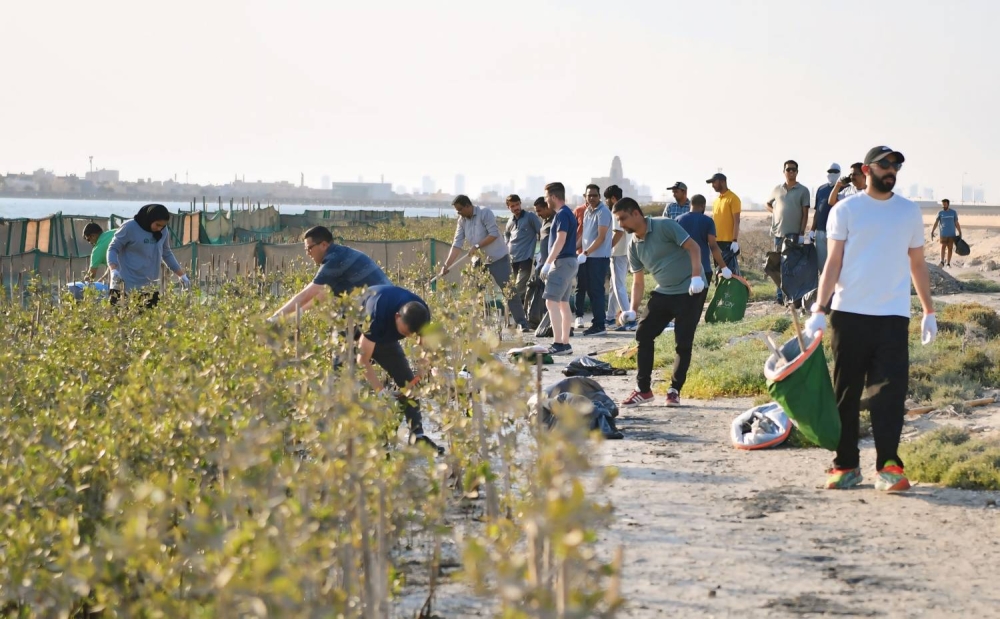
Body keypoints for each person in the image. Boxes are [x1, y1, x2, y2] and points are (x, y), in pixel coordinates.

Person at [804, 146, 935, 492]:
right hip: (849, 315)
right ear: (867, 169)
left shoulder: (908, 211)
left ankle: (889, 466)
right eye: (885, 164)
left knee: (889, 396)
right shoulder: (846, 209)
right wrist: (820, 309)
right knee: (845, 395)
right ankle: (846, 465)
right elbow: (832, 262)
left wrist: (929, 311)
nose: (892, 169)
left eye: (897, 165)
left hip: (893, 317)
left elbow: (917, 263)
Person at [612, 198, 705, 408]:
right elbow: (638, 281)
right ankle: (643, 390)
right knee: (643, 333)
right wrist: (632, 310)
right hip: (664, 291)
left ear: (636, 213)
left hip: (691, 289)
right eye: (618, 220)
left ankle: (674, 390)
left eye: (623, 219)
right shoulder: (633, 246)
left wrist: (696, 277)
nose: (621, 224)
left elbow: (694, 247)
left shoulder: (665, 225)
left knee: (683, 342)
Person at [355, 284, 443, 454]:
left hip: (384, 335)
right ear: (397, 316)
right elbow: (362, 360)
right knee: (348, 383)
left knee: (408, 383)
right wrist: (381, 392)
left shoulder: (421, 313)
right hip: (354, 328)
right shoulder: (376, 317)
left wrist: (421, 374)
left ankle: (417, 436)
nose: (408, 337)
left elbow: (424, 345)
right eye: (405, 332)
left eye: (412, 334)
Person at [438, 195, 530, 331]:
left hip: (498, 257)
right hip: (479, 260)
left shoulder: (485, 213)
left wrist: (477, 246)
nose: (458, 213)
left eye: (460, 209)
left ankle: (522, 323)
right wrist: (446, 265)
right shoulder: (462, 221)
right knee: (475, 291)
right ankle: (476, 324)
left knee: (509, 290)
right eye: (457, 210)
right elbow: (457, 244)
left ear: (468, 206)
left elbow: (493, 234)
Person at [268, 225, 391, 321]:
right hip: (386, 306)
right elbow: (322, 295)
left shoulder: (335, 259)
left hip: (377, 310)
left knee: (345, 334)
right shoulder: (341, 253)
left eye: (309, 248)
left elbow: (307, 294)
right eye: (306, 249)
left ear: (323, 245)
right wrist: (292, 316)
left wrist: (274, 318)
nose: (307, 253)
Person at [106, 203, 189, 308]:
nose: (159, 229)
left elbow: (166, 253)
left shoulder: (163, 231)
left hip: (149, 287)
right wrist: (113, 270)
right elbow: (113, 248)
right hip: (124, 286)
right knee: (121, 317)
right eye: (157, 225)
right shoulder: (130, 227)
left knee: (149, 317)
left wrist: (182, 275)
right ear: (150, 218)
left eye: (163, 226)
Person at [538, 182, 579, 355]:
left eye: (547, 197)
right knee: (563, 303)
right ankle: (565, 343)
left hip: (562, 262)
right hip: (569, 262)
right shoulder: (568, 213)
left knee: (551, 302)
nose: (546, 200)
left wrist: (548, 263)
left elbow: (560, 240)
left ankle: (558, 343)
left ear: (554, 197)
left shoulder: (562, 214)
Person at [766, 160, 811, 304]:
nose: (791, 172)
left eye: (793, 170)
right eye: (788, 169)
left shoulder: (803, 190)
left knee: (792, 266)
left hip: (794, 235)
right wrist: (775, 212)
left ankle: (793, 296)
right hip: (779, 234)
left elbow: (805, 213)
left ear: (797, 172)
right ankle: (780, 296)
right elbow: (768, 204)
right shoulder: (777, 189)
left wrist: (802, 233)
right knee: (778, 266)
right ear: (784, 171)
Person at [575, 184, 612, 336]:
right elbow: (585, 236)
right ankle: (597, 322)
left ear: (599, 196)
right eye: (589, 195)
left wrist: (586, 252)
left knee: (596, 291)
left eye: (594, 195)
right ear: (585, 196)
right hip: (588, 257)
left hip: (598, 258)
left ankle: (599, 325)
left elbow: (601, 237)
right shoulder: (587, 211)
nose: (591, 198)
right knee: (590, 290)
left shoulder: (603, 212)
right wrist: (573, 249)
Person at [676, 194, 732, 294]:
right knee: (698, 302)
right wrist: (724, 267)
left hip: (681, 270)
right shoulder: (708, 221)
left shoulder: (678, 220)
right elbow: (713, 246)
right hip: (703, 269)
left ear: (690, 204)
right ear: (703, 206)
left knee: (681, 302)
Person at [503, 194, 542, 317]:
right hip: (512, 258)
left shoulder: (530, 217)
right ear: (508, 207)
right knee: (516, 288)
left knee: (519, 287)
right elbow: (506, 234)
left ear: (520, 203)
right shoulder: (510, 221)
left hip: (526, 257)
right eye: (512, 206)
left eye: (517, 204)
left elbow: (541, 232)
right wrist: (506, 245)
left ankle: (519, 316)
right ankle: (523, 315)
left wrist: (542, 252)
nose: (516, 208)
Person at [604, 185, 633, 331]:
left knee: (618, 286)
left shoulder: (616, 210)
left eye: (607, 199)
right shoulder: (627, 209)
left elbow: (618, 233)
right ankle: (610, 318)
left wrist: (607, 248)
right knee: (614, 286)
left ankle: (629, 320)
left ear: (613, 198)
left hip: (618, 253)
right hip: (627, 252)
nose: (606, 202)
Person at [525, 197, 554, 328]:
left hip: (551, 265)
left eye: (540, 210)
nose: (538, 214)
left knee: (551, 296)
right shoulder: (545, 221)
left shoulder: (555, 221)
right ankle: (540, 321)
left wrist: (548, 262)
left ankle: (551, 324)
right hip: (542, 264)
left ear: (547, 207)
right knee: (541, 294)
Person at [707, 173, 741, 274]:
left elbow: (737, 220)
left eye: (714, 182)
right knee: (719, 271)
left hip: (728, 243)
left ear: (722, 182)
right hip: (716, 242)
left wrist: (734, 240)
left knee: (730, 272)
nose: (712, 185)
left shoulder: (733, 198)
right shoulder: (716, 201)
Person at [811, 163, 841, 271]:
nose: (832, 174)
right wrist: (812, 230)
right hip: (820, 231)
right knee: (822, 265)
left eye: (835, 171)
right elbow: (817, 211)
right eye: (830, 171)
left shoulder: (846, 189)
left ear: (839, 173)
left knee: (836, 265)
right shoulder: (821, 189)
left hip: (837, 233)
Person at [931, 199, 961, 267]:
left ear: (948, 204)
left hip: (951, 234)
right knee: (943, 246)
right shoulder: (940, 213)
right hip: (943, 234)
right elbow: (936, 223)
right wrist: (932, 231)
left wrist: (960, 232)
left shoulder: (953, 212)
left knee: (950, 248)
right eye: (942, 205)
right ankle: (942, 261)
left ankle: (948, 263)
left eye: (945, 204)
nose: (943, 206)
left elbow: (956, 223)